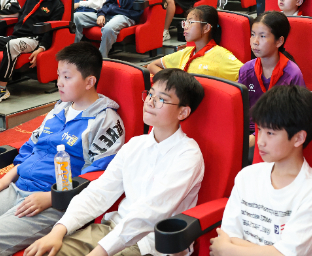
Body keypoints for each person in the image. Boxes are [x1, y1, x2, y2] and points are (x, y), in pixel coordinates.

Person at [0, 43, 125, 256]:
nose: (59, 82)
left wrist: (51, 197)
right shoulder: (60, 108)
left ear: (89, 82)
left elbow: (99, 176)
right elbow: (31, 146)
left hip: (54, 202)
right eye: (58, 75)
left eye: (67, 77)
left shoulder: (105, 121)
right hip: (18, 186)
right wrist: (9, 176)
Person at [24, 68, 205, 256]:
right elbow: (100, 191)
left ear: (182, 112)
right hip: (112, 230)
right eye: (150, 94)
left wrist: (100, 252)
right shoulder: (135, 145)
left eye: (161, 99)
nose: (150, 102)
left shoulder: (188, 155)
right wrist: (58, 231)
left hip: (152, 244)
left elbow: (150, 214)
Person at [213, 85, 312, 256]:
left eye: (270, 133)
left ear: (298, 138)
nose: (260, 141)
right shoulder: (247, 176)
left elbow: (285, 254)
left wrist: (230, 250)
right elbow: (227, 236)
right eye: (260, 130)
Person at [0, 0, 65, 105]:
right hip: (17, 35)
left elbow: (51, 30)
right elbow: (20, 14)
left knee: (12, 45)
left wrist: (41, 48)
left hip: (34, 39)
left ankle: (1, 88)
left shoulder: (57, 5)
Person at [238, 12, 305, 140]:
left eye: (262, 36)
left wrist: (257, 137)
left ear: (279, 41)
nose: (255, 42)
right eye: (253, 34)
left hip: (278, 132)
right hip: (248, 129)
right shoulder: (246, 70)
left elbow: (297, 115)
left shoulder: (292, 74)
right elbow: (240, 108)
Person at [147, 5, 242, 81]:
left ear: (206, 28)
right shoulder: (186, 52)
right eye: (185, 22)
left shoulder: (220, 54)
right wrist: (173, 82)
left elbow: (247, 77)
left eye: (191, 22)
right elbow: (151, 65)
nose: (185, 27)